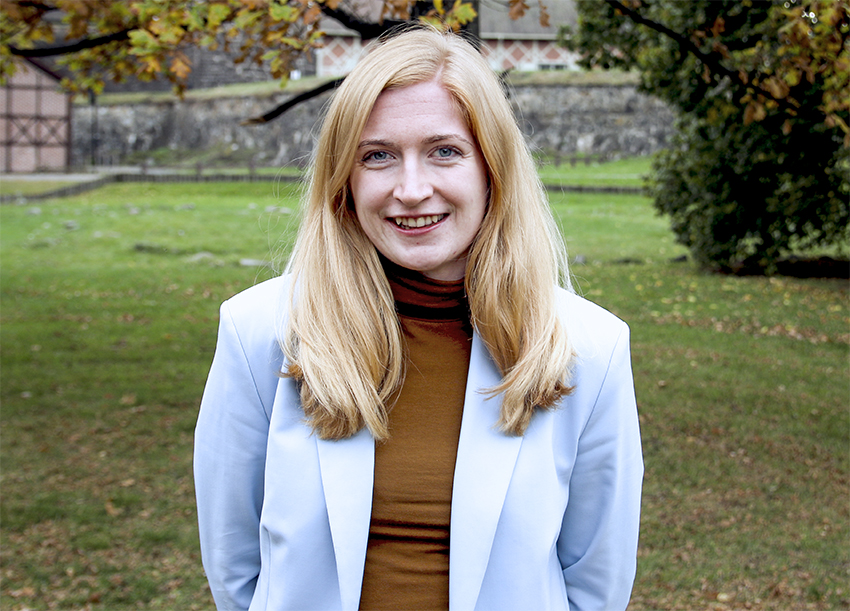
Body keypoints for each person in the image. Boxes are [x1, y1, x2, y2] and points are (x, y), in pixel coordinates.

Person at [194, 25, 643, 611]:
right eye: (377, 156)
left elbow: (597, 582)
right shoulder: (258, 332)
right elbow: (234, 568)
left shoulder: (591, 348)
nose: (411, 189)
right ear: (344, 179)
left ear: (493, 168)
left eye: (444, 151)